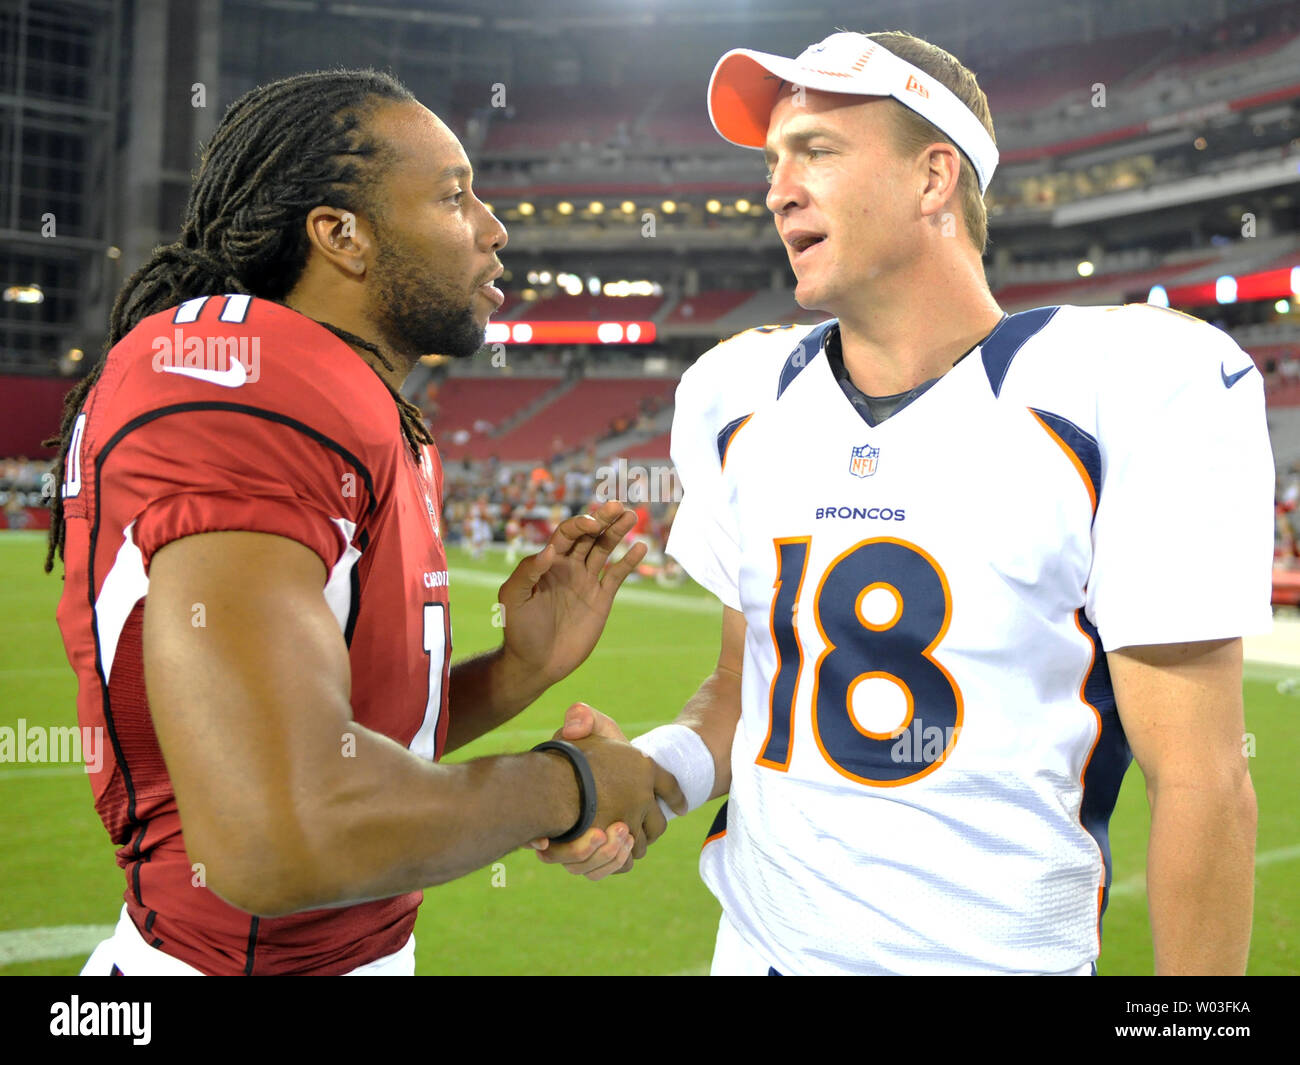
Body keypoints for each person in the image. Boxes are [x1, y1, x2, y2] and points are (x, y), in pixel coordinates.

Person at [537, 30, 1274, 976]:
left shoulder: (1127, 384)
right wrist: (651, 777)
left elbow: (1203, 781)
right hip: (756, 953)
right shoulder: (738, 397)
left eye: (818, 151)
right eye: (772, 161)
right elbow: (740, 689)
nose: (777, 189)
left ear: (935, 179)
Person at [45, 69, 680, 976]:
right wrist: (570, 786)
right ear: (341, 234)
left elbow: (351, 735)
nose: (495, 230)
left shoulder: (376, 415)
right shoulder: (243, 378)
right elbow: (276, 833)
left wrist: (521, 668)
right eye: (455, 197)